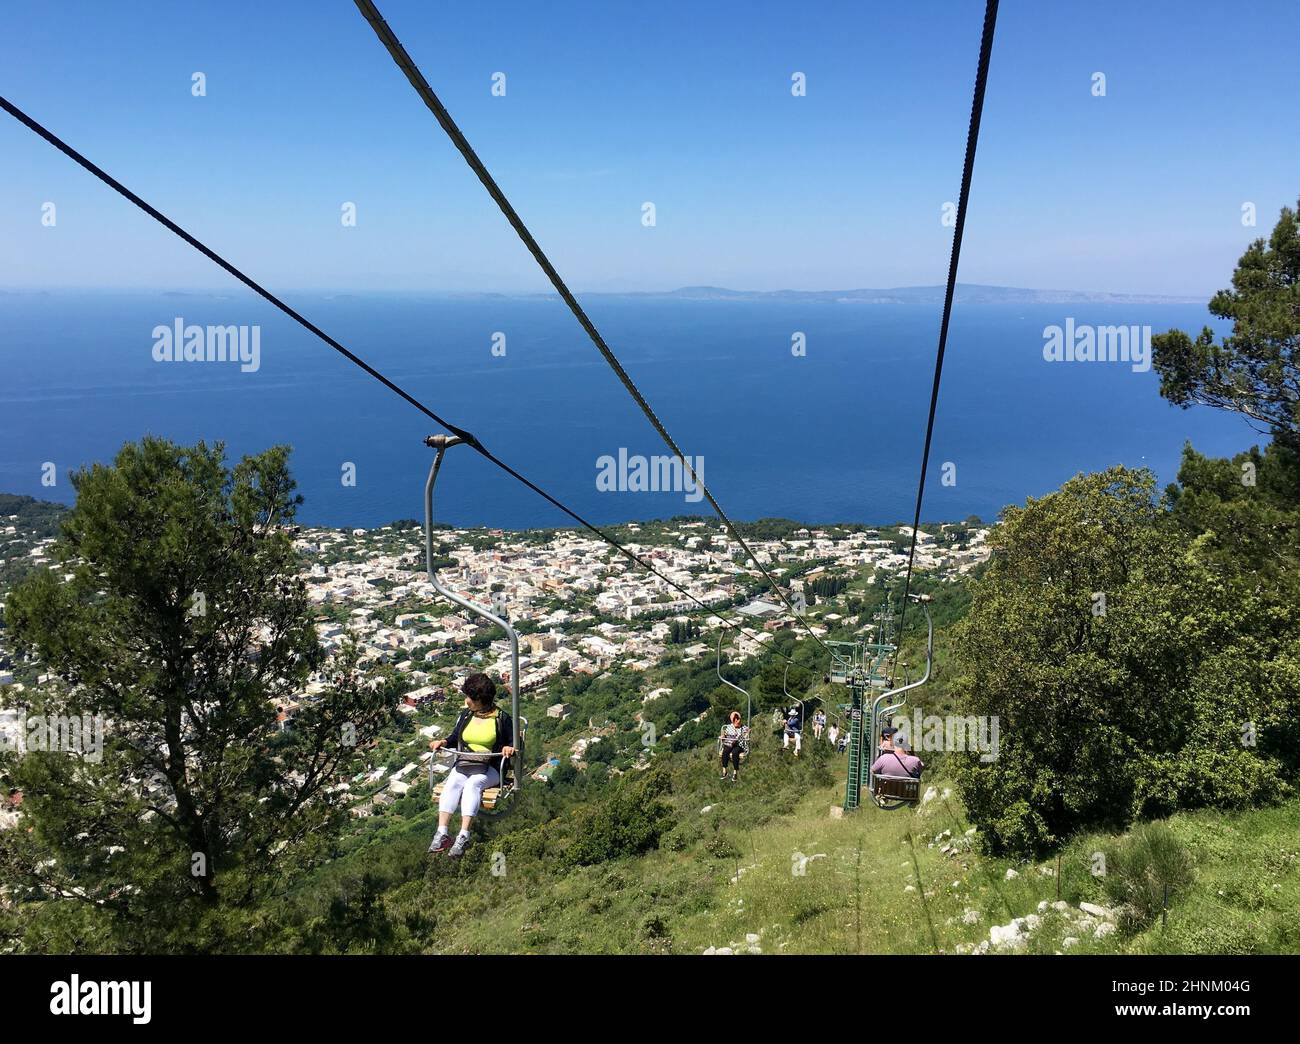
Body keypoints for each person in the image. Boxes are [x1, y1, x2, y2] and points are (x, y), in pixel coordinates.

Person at [427, 673, 516, 858]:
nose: (467, 701)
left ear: (481, 700)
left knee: (472, 784)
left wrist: (509, 748)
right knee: (453, 782)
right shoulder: (466, 716)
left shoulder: (501, 719)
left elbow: (513, 742)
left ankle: (463, 835)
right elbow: (454, 737)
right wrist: (443, 742)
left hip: (490, 767)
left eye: (470, 698)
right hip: (466, 763)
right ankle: (442, 832)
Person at [718, 711, 749, 782]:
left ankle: (735, 773)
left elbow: (747, 732)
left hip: (738, 745)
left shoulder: (743, 728)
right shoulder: (729, 727)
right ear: (733, 721)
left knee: (735, 753)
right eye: (735, 721)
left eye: (738, 720)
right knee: (725, 752)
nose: (737, 722)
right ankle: (724, 771)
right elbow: (724, 734)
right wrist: (723, 736)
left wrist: (746, 734)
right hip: (729, 743)